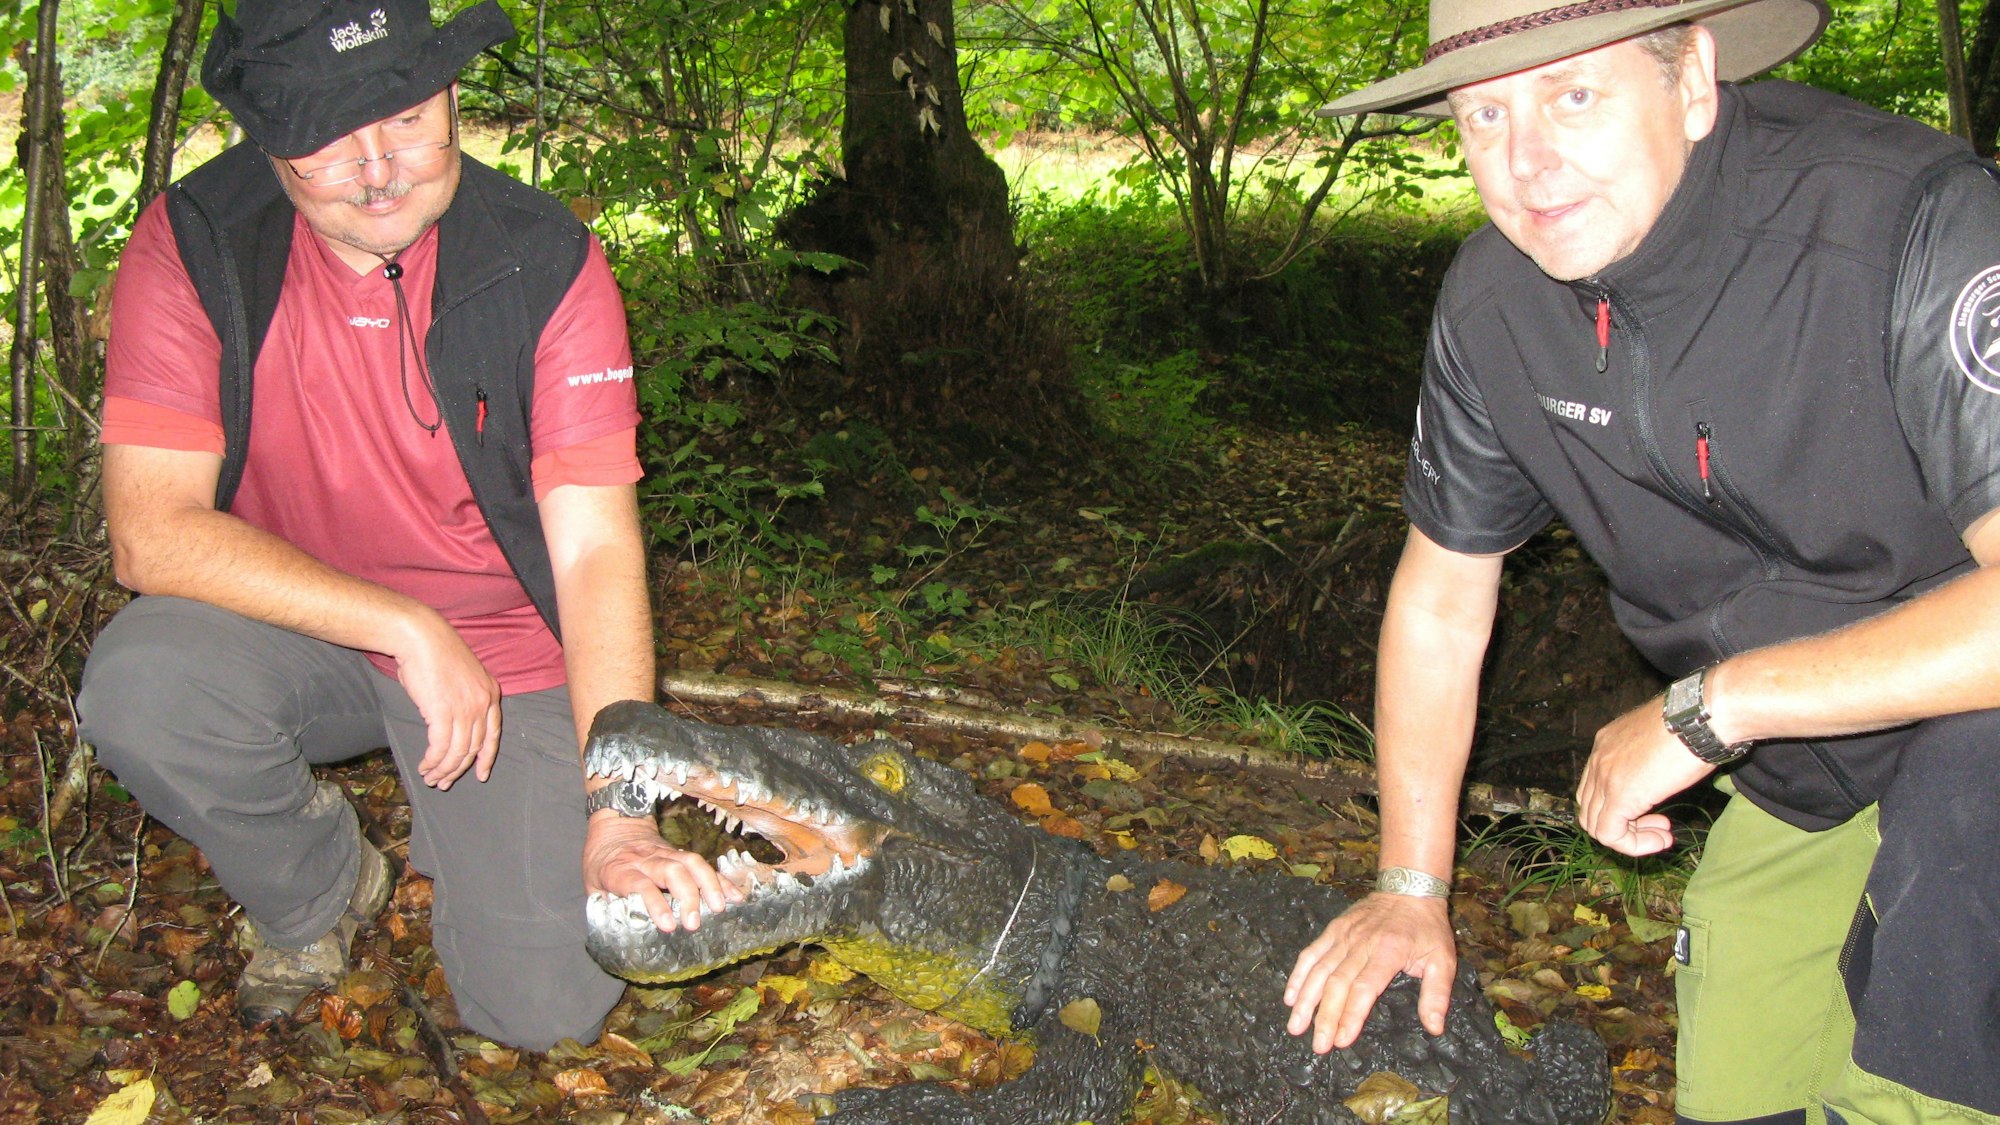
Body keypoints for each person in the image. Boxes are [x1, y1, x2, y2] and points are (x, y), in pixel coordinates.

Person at [1283, 1, 2000, 1121]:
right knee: (1732, 1098)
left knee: (1913, 1091)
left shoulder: (1899, 223)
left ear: (1692, 79)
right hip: (1805, 774)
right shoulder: (1495, 309)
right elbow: (1439, 599)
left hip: (1974, 764)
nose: (1525, 162)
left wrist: (1708, 710)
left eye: (1574, 95)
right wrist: (1409, 888)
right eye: (1482, 114)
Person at [77, 0, 740, 1050]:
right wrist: (402, 625)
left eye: (407, 119)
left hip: (511, 651)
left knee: (545, 1012)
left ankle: (488, 848)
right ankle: (317, 893)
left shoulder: (543, 261)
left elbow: (596, 547)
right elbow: (149, 534)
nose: (379, 167)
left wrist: (620, 812)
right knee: (144, 684)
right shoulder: (200, 242)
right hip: (301, 630)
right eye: (329, 141)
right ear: (268, 138)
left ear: (451, 98)